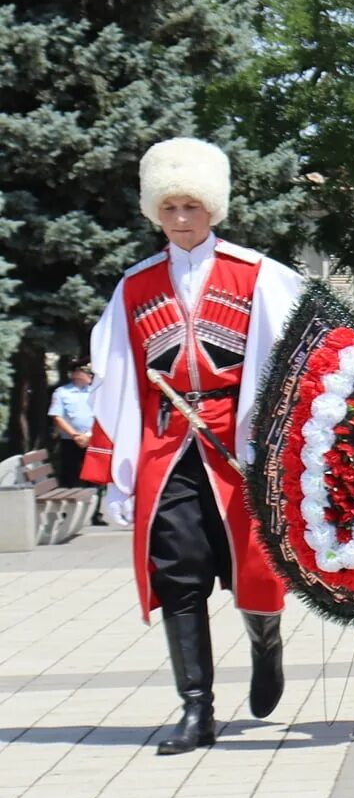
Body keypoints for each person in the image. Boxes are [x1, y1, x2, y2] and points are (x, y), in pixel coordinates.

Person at [81, 139, 303, 755]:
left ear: (213, 208)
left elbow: (287, 367)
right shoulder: (135, 286)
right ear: (157, 211)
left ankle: (266, 642)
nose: (182, 218)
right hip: (167, 447)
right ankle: (196, 708)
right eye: (171, 206)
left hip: (240, 444)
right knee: (177, 575)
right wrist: (116, 473)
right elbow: (117, 381)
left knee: (254, 569)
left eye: (193, 206)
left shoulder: (257, 276)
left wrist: (272, 447)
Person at [48, 359, 96, 491]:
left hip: (92, 439)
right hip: (70, 441)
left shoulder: (95, 392)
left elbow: (101, 415)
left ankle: (95, 509)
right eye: (87, 372)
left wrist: (89, 435)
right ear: (76, 374)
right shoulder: (62, 393)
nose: (91, 376)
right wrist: (75, 435)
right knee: (71, 477)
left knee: (93, 479)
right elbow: (57, 417)